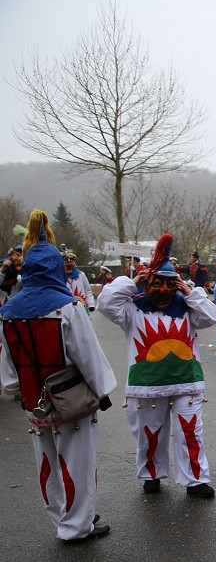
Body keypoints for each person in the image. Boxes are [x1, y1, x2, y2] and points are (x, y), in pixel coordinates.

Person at [0, 211, 117, 541]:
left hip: (32, 401)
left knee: (48, 465)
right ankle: (77, 526)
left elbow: (8, 370)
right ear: (55, 267)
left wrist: (19, 389)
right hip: (72, 401)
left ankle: (61, 519)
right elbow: (89, 357)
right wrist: (103, 389)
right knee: (77, 463)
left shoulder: (7, 312)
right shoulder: (68, 307)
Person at [98, 232, 216, 498]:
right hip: (147, 386)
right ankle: (151, 475)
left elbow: (213, 316)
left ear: (177, 284)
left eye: (169, 285)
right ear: (146, 283)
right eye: (156, 284)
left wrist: (189, 291)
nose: (163, 291)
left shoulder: (188, 307)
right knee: (150, 435)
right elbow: (104, 303)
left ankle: (195, 480)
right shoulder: (131, 309)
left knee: (191, 433)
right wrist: (133, 282)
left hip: (187, 381)